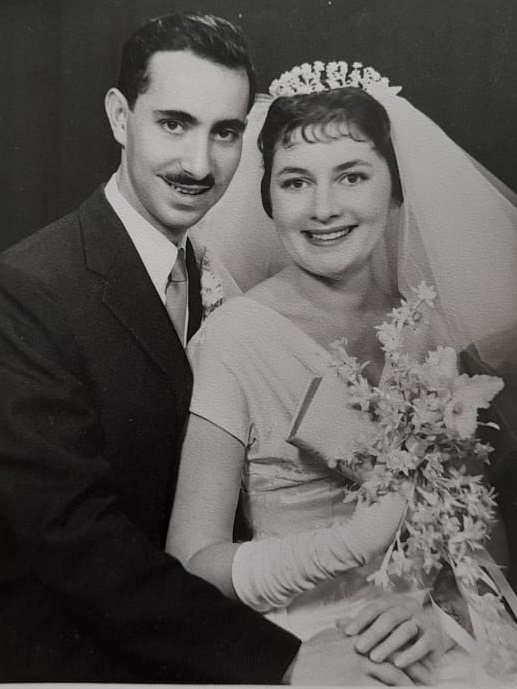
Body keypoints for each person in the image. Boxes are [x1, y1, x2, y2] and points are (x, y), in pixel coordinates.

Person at [0, 15, 415, 685]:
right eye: (173, 123)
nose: (199, 164)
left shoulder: (211, 269)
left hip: (209, 631)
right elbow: (74, 539)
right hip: (75, 657)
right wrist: (281, 658)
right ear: (118, 115)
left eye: (224, 132)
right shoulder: (28, 289)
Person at [168, 61, 517, 685]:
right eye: (296, 182)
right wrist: (347, 545)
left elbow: (479, 539)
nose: (323, 208)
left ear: (395, 186)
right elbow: (191, 565)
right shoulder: (233, 340)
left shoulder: (432, 334)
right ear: (268, 198)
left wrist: (439, 612)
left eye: (352, 175)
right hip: (312, 641)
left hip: (430, 629)